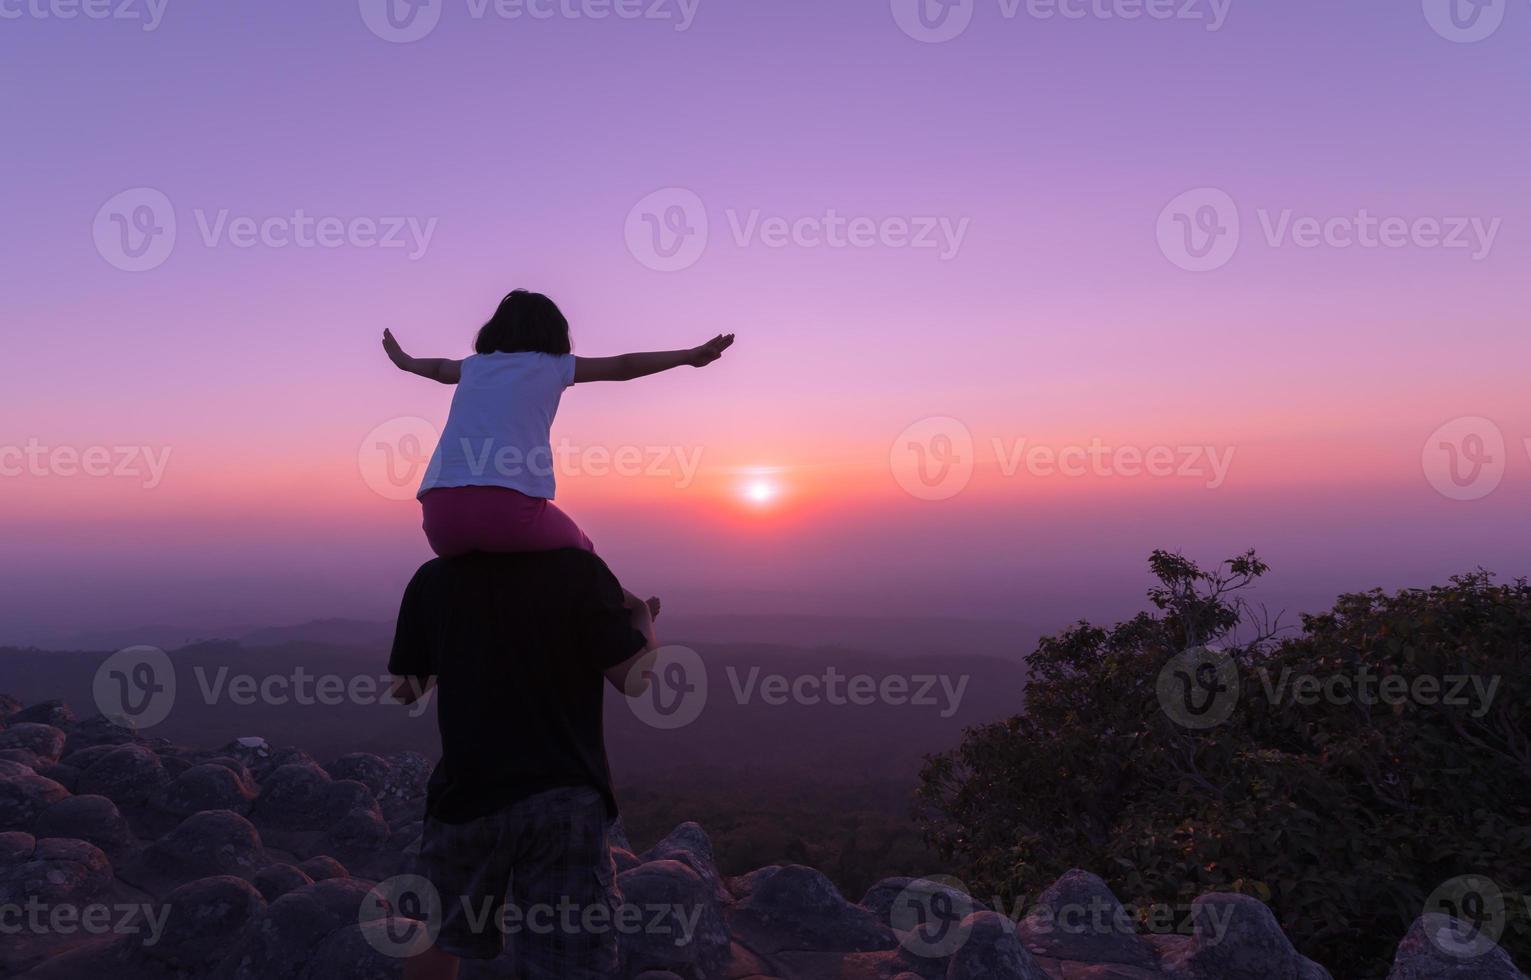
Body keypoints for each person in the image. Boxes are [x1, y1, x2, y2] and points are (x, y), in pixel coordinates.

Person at [387, 547, 660, 980]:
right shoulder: (580, 571)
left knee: (437, 934)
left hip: (468, 794)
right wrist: (643, 614)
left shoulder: (433, 578)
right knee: (568, 959)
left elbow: (406, 690)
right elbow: (635, 678)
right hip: (564, 801)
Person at [382, 289, 734, 618]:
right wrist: (687, 357)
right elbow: (624, 366)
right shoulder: (552, 365)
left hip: (440, 521)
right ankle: (630, 608)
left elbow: (440, 369)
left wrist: (405, 361)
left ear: (494, 330)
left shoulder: (473, 366)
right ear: (554, 334)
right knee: (583, 550)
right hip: (509, 513)